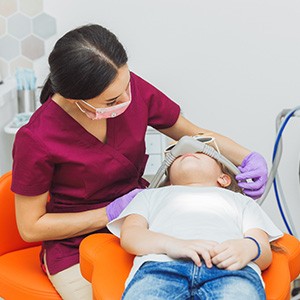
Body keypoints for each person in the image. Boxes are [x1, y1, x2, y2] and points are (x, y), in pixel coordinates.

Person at [11, 23, 268, 299]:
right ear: (77, 100)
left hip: (146, 223)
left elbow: (193, 133)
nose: (126, 99)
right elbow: (30, 227)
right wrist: (108, 213)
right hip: (76, 246)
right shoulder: (36, 138)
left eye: (127, 85)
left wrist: (247, 157)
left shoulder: (125, 87)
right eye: (112, 101)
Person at [108, 152, 282, 300]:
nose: (189, 152)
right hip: (161, 266)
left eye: (201, 152)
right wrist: (173, 244)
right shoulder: (151, 196)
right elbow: (131, 235)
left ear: (223, 178)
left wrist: (248, 247)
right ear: (170, 182)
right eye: (178, 155)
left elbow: (264, 251)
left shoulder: (241, 201)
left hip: (230, 270)